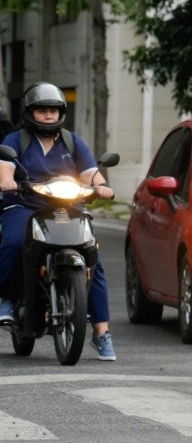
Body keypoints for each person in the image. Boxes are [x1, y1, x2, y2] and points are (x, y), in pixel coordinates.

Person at [0, 82, 117, 361]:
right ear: (30, 112)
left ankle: (101, 333)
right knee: (15, 242)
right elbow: (5, 170)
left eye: (53, 110)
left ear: (61, 112)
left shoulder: (72, 141)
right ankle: (6, 299)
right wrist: (7, 182)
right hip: (26, 204)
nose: (49, 116)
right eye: (42, 110)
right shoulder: (15, 141)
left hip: (67, 204)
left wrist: (102, 186)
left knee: (93, 259)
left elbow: (91, 173)